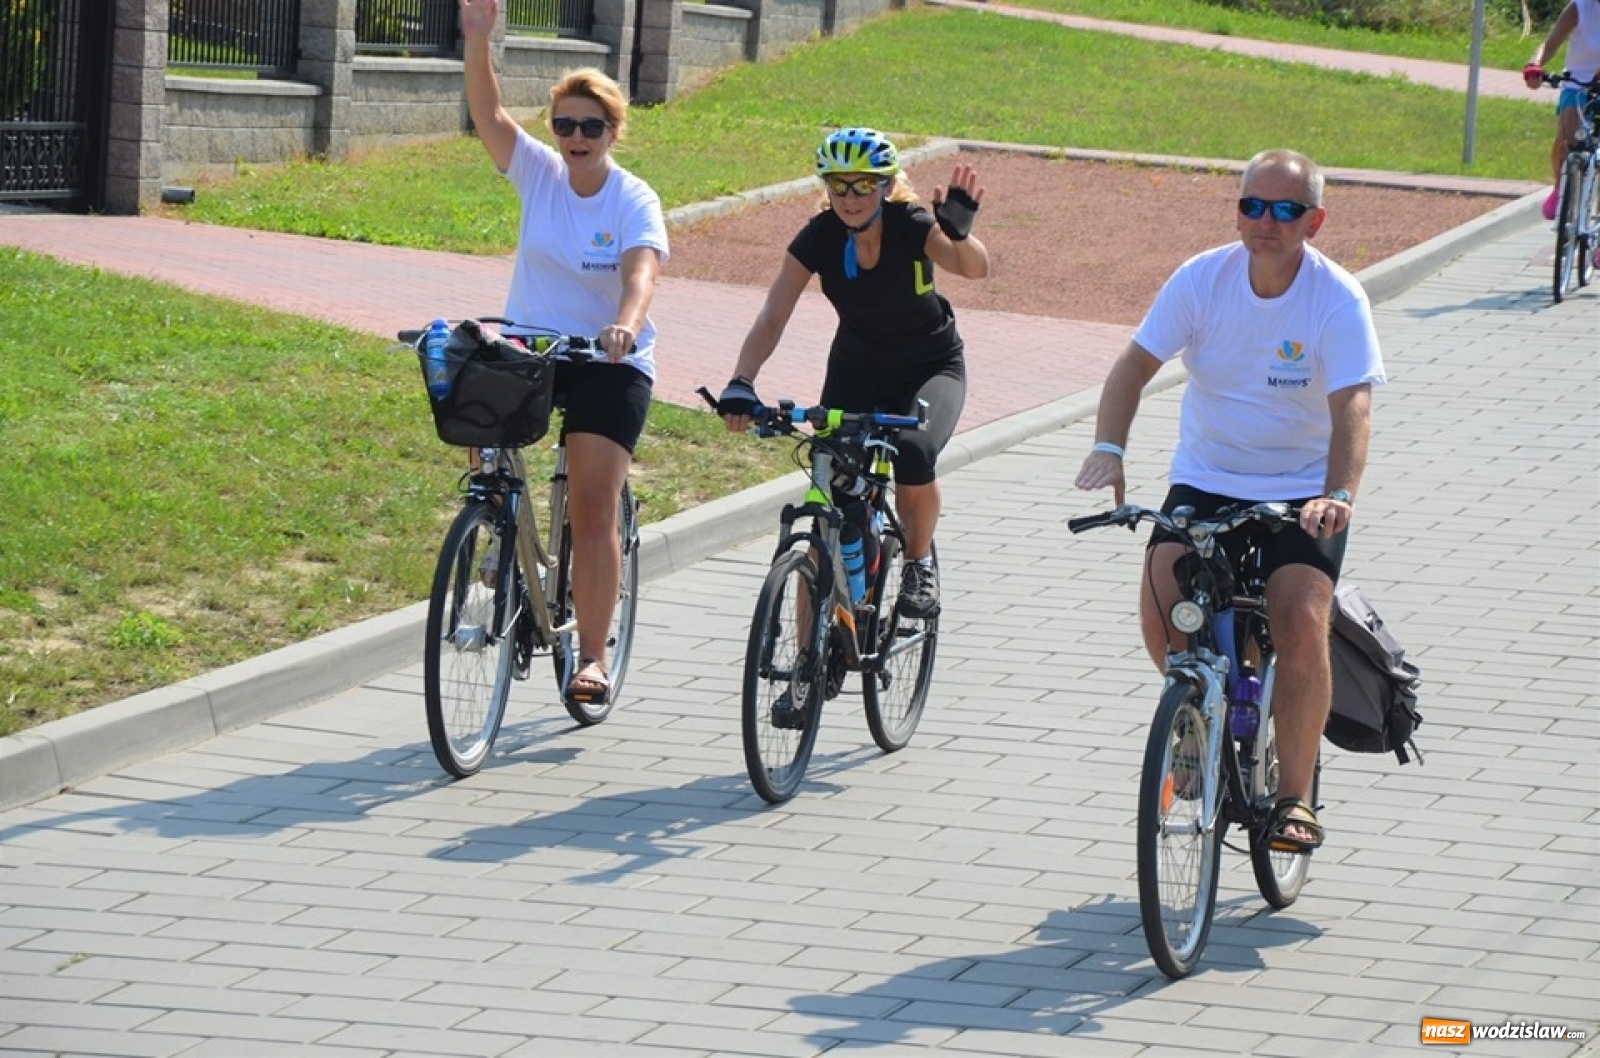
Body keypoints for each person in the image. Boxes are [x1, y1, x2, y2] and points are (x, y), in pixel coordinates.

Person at [1073, 149, 1384, 853]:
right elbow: (1134, 366)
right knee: (1163, 594)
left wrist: (1337, 493)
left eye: (1285, 210)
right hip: (1208, 477)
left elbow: (1353, 408)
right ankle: (1195, 717)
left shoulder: (1335, 297)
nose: (1265, 222)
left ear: (1315, 221)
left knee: (1301, 619)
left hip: (1303, 489)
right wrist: (1109, 449)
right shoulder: (1202, 279)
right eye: (1252, 206)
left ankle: (1294, 797)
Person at [459, 0, 668, 706]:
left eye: (592, 126)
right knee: (474, 405)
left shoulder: (632, 198)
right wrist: (479, 40)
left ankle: (593, 657)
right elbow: (489, 118)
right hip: (538, 348)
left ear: (613, 131)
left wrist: (624, 324)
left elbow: (641, 272)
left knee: (591, 503)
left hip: (611, 360)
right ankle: (496, 530)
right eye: (566, 124)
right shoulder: (540, 175)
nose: (576, 137)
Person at [716, 128, 990, 619]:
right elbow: (772, 315)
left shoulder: (911, 224)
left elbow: (973, 269)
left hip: (930, 367)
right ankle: (806, 668)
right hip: (858, 368)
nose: (849, 198)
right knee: (831, 506)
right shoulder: (819, 237)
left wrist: (959, 234)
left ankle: (917, 562)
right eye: (838, 185)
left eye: (862, 185)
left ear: (885, 186)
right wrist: (741, 380)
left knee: (913, 453)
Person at [1523, 0, 1600, 220]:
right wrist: (1534, 65)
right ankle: (1560, 185)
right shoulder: (1580, 7)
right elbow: (1550, 44)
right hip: (1577, 82)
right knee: (1567, 139)